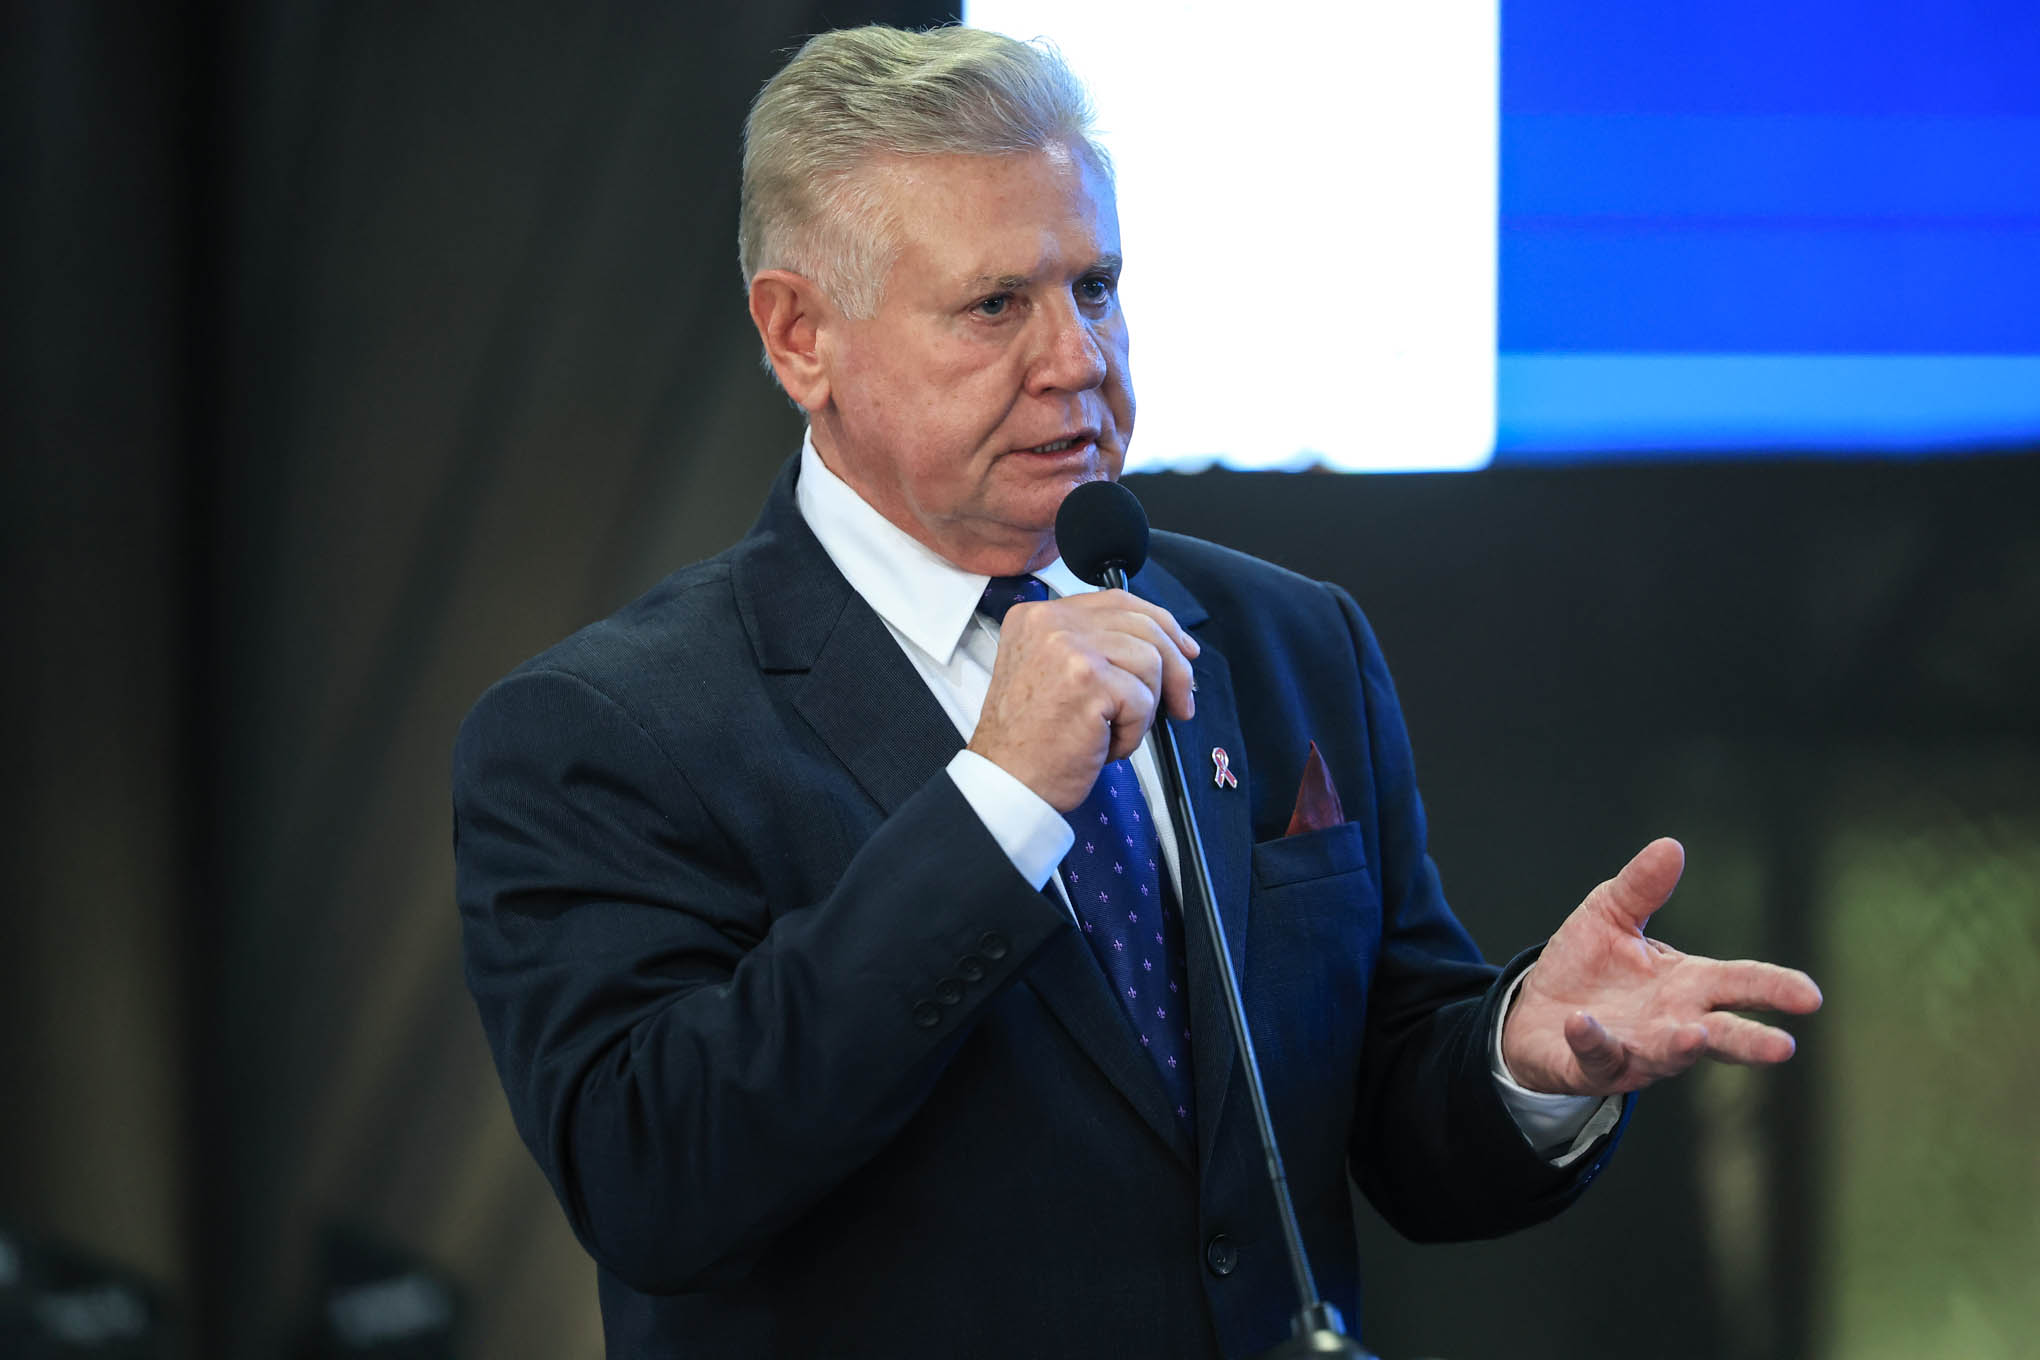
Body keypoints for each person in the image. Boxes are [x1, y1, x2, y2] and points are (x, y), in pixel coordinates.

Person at [452, 24, 1823, 1359]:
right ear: (801, 335)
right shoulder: (603, 732)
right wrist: (997, 804)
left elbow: (1381, 1122)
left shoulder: (1289, 642)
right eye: (996, 305)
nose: (1079, 359)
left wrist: (1523, 1059)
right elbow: (656, 1177)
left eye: (1096, 287)